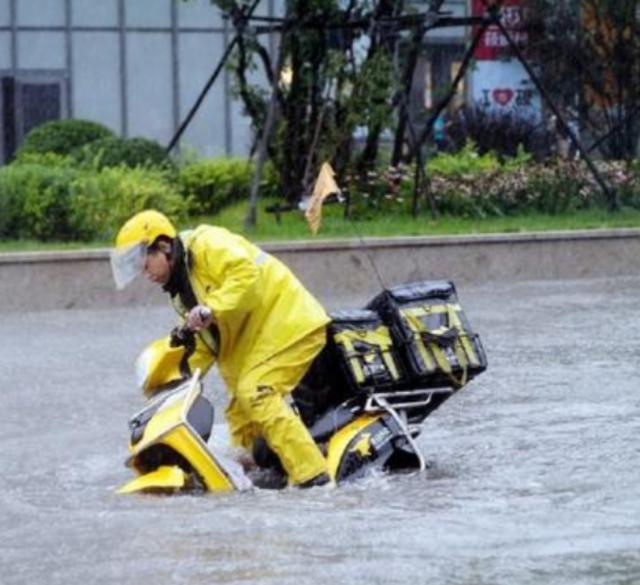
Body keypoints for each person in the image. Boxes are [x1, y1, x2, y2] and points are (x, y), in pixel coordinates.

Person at [110, 209, 331, 488]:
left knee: (257, 393)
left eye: (145, 262)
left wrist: (211, 308)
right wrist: (179, 380)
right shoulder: (180, 291)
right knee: (239, 415)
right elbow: (207, 342)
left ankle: (314, 478)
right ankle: (257, 476)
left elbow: (246, 276)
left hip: (290, 323)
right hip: (258, 338)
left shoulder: (208, 243)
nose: (144, 272)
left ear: (164, 247)